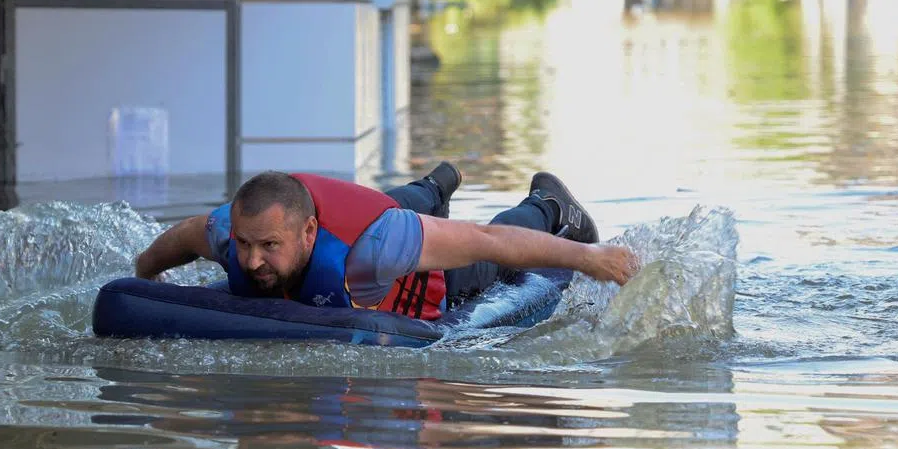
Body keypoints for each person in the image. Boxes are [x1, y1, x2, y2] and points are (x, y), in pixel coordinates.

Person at [134, 163, 640, 320]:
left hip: (420, 272)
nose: (252, 260)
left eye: (268, 246)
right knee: (388, 205)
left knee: (485, 261)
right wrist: (144, 276)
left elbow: (489, 240)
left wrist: (588, 256)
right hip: (361, 214)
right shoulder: (231, 232)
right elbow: (180, 237)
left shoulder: (375, 248)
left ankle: (550, 204)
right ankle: (435, 186)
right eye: (245, 246)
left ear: (308, 232)